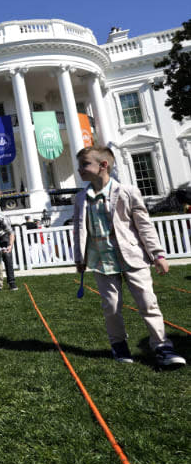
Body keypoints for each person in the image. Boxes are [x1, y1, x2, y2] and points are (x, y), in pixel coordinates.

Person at [74, 146, 185, 366]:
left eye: (85, 164)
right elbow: (79, 228)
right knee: (111, 306)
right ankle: (119, 346)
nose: (80, 169)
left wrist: (157, 254)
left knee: (147, 302)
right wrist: (80, 258)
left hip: (132, 256)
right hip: (101, 261)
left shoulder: (127, 191)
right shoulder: (80, 198)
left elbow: (144, 225)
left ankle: (162, 346)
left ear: (103, 165)